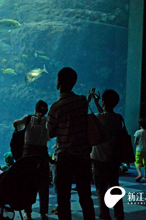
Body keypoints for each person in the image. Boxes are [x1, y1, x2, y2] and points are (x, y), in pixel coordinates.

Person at [47, 67, 95, 220]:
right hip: (83, 156)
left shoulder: (55, 108)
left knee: (63, 197)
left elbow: (50, 132)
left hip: (65, 156)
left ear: (58, 83)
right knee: (85, 195)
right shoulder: (81, 101)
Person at [88, 89, 124, 220]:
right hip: (113, 159)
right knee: (114, 187)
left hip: (98, 160)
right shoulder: (117, 118)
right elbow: (104, 115)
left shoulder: (99, 117)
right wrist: (97, 103)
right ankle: (119, 215)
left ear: (103, 101)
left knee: (101, 190)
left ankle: (105, 215)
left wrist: (89, 100)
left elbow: (90, 117)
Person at [13, 100, 50, 220]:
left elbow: (16, 123)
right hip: (42, 154)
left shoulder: (28, 118)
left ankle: (27, 212)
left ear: (35, 109)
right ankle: (43, 213)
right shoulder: (47, 120)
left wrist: (20, 130)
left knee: (27, 182)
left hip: (28, 153)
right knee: (43, 183)